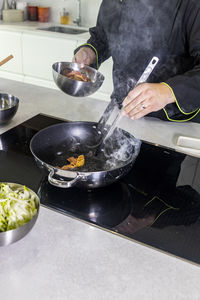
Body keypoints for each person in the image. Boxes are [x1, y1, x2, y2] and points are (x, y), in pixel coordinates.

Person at [73, 0, 200, 122]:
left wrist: (167, 91)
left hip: (172, 122)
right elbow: (103, 36)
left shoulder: (191, 4)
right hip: (122, 111)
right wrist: (90, 51)